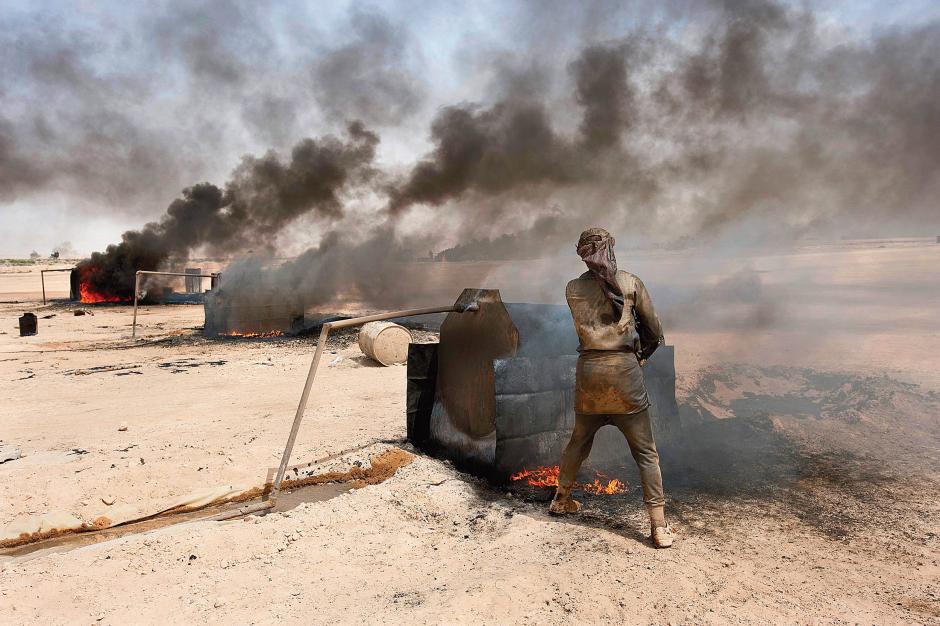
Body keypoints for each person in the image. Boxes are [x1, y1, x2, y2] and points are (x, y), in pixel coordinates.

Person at [550, 227, 675, 548]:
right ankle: (658, 526)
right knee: (646, 452)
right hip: (625, 377)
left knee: (578, 440)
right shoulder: (632, 283)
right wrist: (640, 357)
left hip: (590, 376)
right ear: (610, 250)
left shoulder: (572, 288)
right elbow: (654, 330)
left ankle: (561, 499)